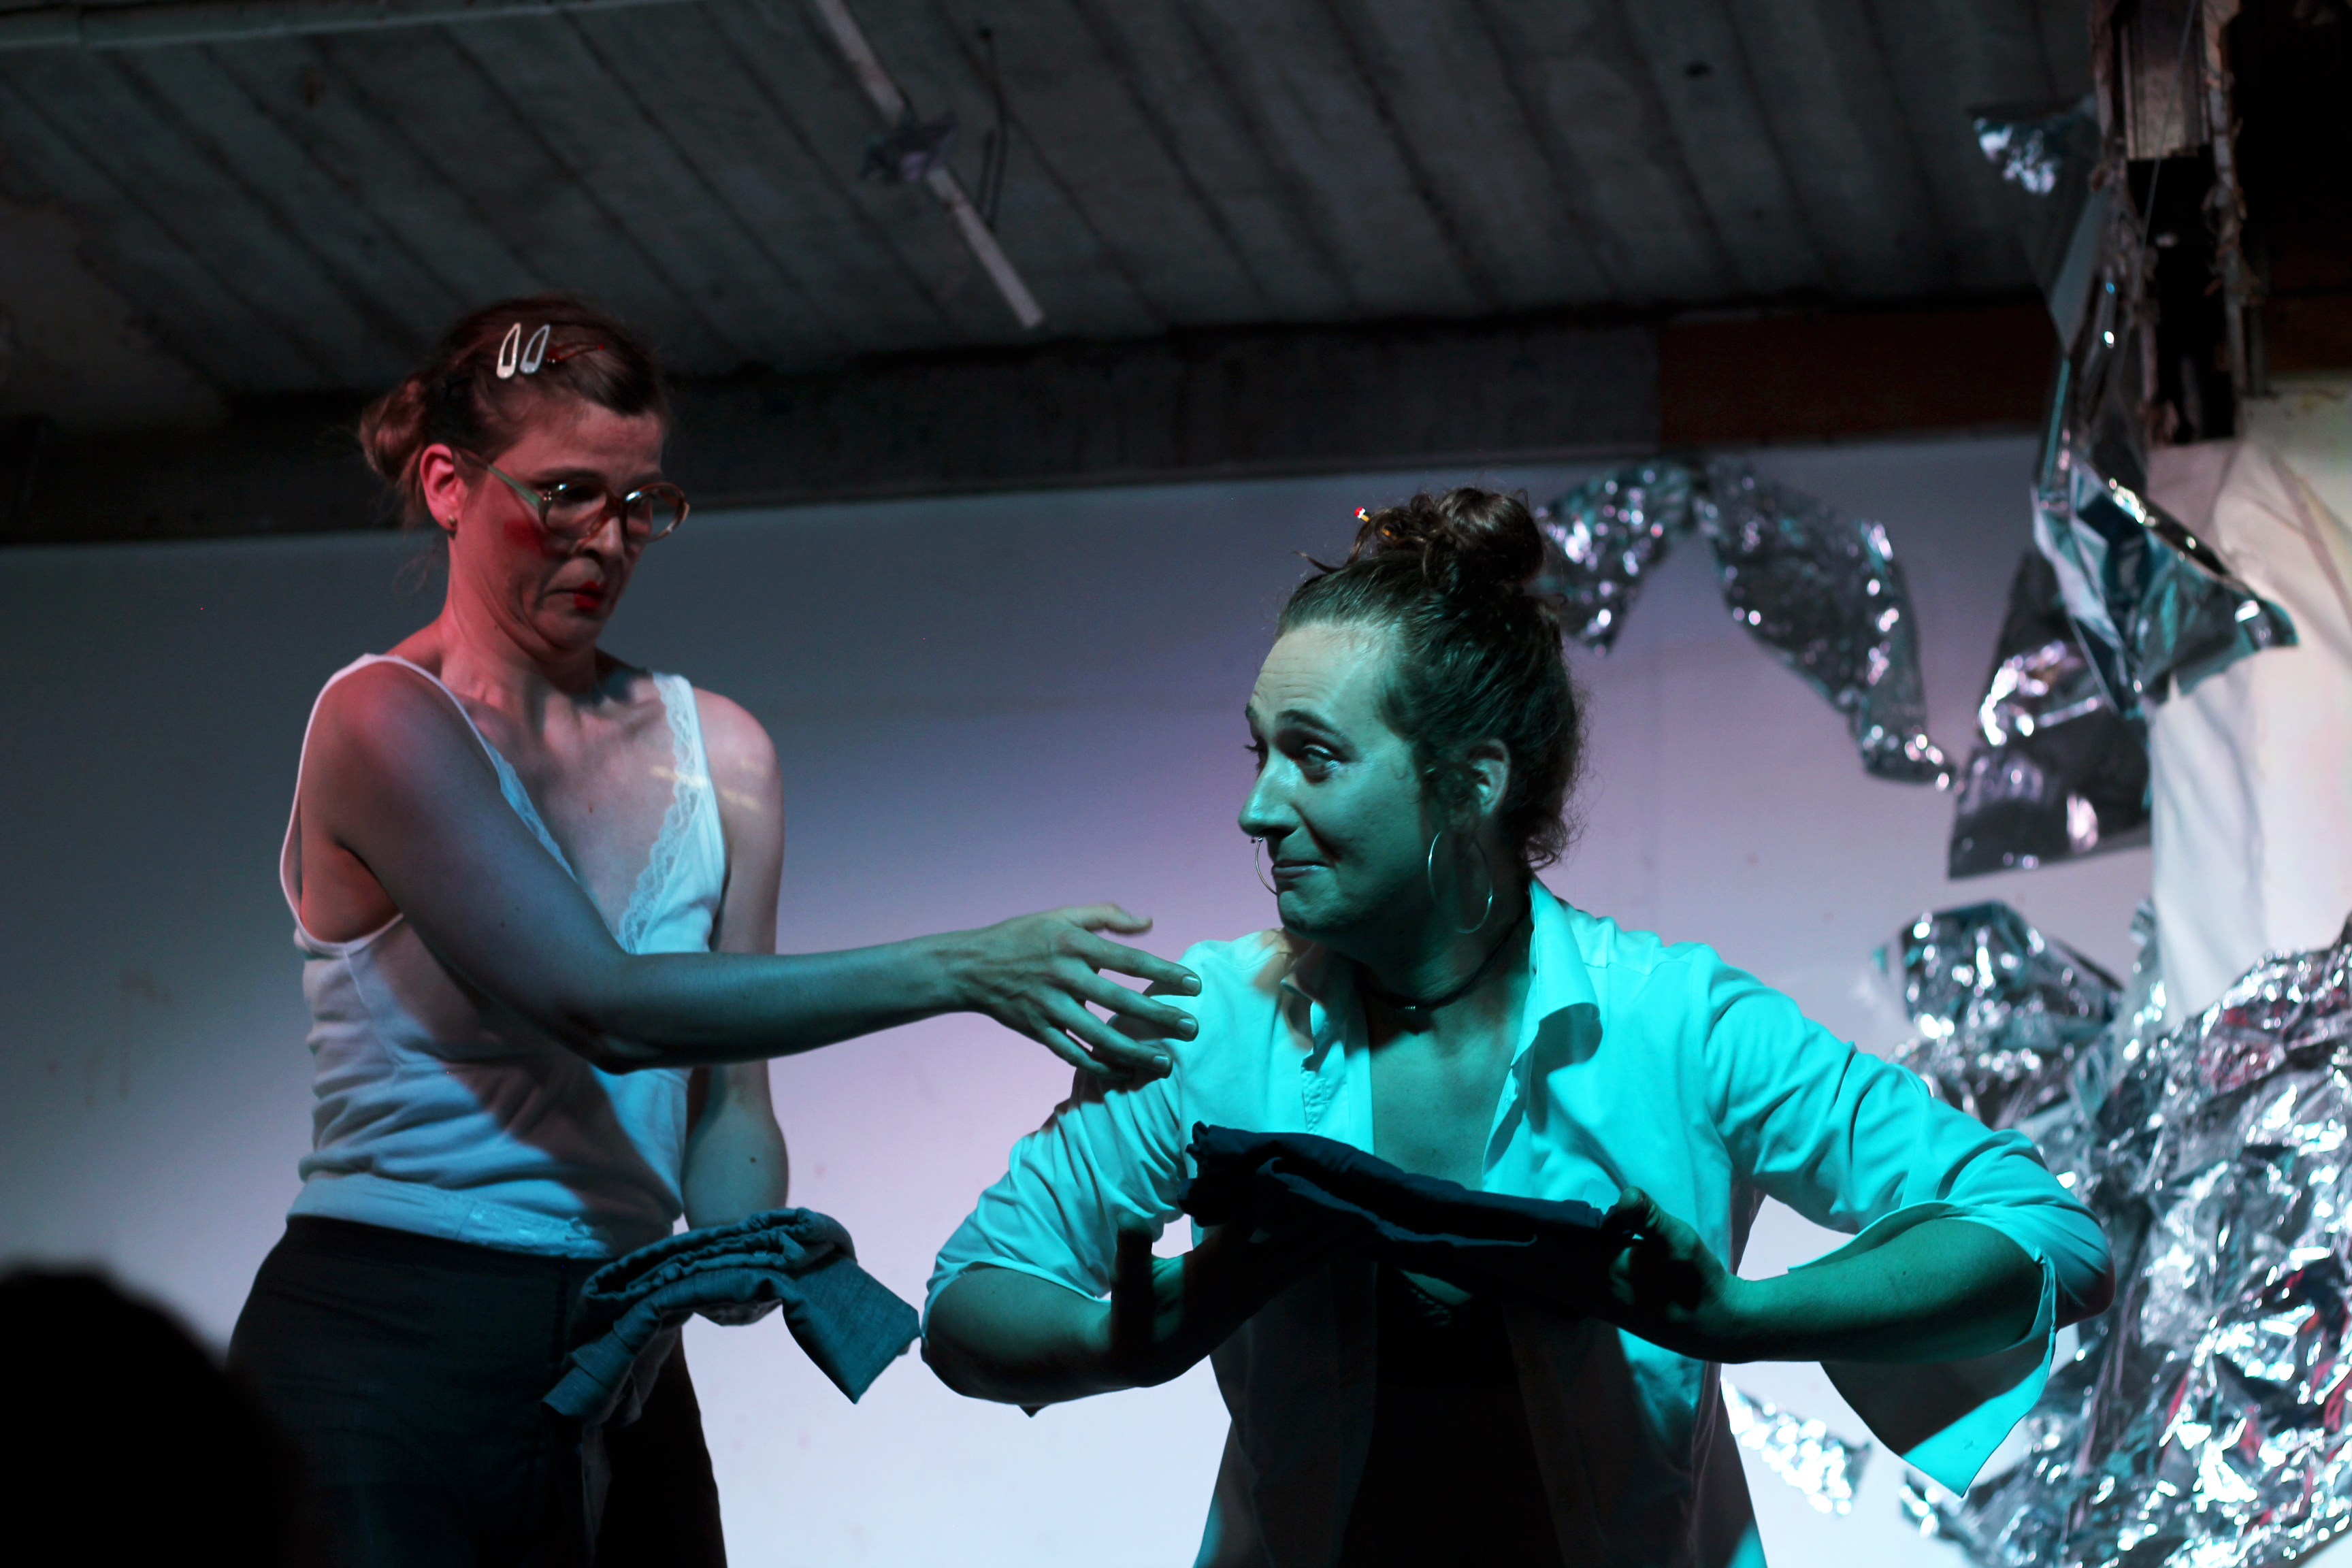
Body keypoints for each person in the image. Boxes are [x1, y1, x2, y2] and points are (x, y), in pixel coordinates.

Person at [922, 487, 2114, 1567]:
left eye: (1314, 759)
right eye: (1260, 753)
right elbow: (972, 1299)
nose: (1256, 808)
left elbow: (2048, 1235)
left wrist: (1747, 1321)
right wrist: (1120, 1345)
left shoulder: (1677, 1026)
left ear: (1472, 782)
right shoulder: (1210, 1026)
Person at [226, 296, 1201, 1568]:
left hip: (622, 1344)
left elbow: (728, 1098)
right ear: (449, 485)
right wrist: (964, 970)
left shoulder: (719, 750)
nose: (607, 541)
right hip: (388, 1344)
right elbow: (605, 1006)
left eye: (642, 505)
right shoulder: (381, 719)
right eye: (567, 495)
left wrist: (742, 1241)